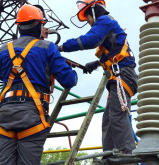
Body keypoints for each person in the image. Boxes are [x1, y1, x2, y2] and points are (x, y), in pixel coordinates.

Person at [0, 4, 78, 165]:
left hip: (5, 115)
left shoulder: (4, 49)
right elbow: (68, 80)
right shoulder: (47, 47)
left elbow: (2, 77)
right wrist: (71, 72)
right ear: (39, 25)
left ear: (19, 27)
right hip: (31, 116)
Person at [58, 0, 138, 159]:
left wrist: (60, 47)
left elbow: (90, 40)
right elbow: (115, 51)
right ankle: (109, 157)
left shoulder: (104, 20)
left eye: (86, 16)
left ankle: (127, 155)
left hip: (123, 75)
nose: (87, 21)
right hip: (119, 75)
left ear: (94, 10)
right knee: (108, 120)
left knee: (117, 116)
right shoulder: (109, 25)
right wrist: (95, 64)